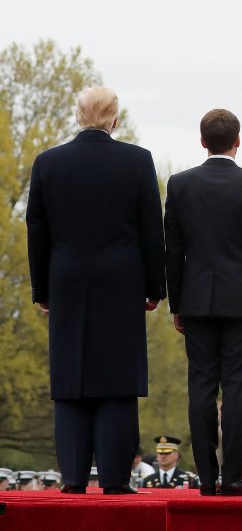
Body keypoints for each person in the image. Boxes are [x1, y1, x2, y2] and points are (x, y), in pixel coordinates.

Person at [26, 86, 165, 495]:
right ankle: (115, 479)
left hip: (67, 282)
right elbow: (150, 229)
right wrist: (155, 287)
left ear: (77, 115)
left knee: (70, 381)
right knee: (118, 381)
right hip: (122, 284)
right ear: (115, 119)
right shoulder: (137, 161)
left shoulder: (48, 163)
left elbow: (37, 232)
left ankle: (72, 478)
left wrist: (42, 290)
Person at [165, 107, 242, 498]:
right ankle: (231, 477)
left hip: (197, 300)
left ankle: (205, 478)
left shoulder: (180, 185)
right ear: (238, 141)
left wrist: (177, 304)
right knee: (237, 390)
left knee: (201, 388)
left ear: (202, 141)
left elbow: (173, 250)